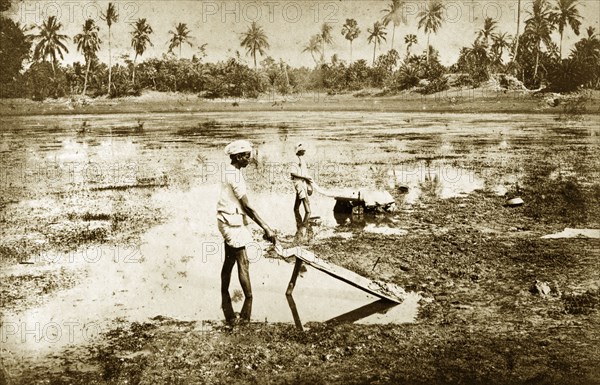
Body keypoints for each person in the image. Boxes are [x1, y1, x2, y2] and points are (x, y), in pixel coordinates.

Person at [217, 139, 276, 324]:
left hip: (226, 219)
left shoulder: (231, 172)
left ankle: (224, 296)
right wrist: (266, 227)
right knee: (243, 262)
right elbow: (247, 207)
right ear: (238, 157)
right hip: (231, 222)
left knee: (229, 261)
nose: (249, 160)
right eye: (247, 157)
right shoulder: (234, 176)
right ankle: (249, 301)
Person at [290, 143, 313, 222]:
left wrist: (307, 180)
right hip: (298, 181)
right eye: (303, 150)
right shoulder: (295, 160)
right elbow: (292, 173)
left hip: (303, 181)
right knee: (304, 198)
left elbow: (304, 171)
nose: (304, 151)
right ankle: (308, 214)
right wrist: (304, 177)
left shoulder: (301, 159)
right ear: (299, 151)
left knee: (299, 198)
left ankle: (297, 218)